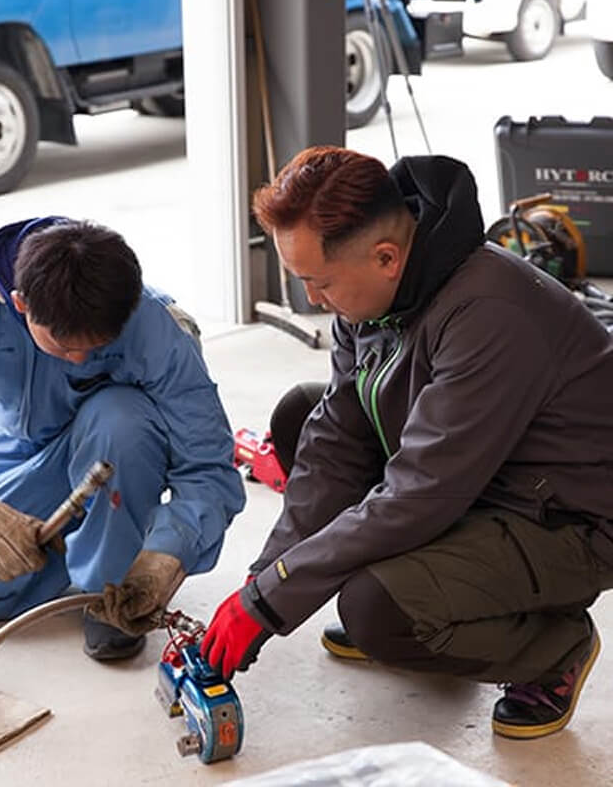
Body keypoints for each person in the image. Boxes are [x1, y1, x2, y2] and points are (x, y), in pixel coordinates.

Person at [201, 146, 613, 739]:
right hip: (483, 477)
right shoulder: (371, 294)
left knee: (375, 608)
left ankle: (554, 647)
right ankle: (446, 591)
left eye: (319, 283)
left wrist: (274, 599)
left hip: (570, 516)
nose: (313, 300)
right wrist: (265, 579)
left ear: (387, 257)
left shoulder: (490, 310)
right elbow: (337, 444)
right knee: (301, 416)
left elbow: (421, 494)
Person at [0, 217, 245, 661]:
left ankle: (105, 583)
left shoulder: (155, 324)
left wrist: (170, 552)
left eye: (96, 349)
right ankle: (84, 543)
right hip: (14, 459)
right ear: (21, 305)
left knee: (123, 417)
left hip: (112, 457)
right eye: (63, 346)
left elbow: (208, 464)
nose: (79, 359)